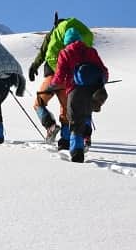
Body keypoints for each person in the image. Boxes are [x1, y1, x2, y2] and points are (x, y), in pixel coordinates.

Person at [27, 13, 94, 150]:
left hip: (53, 76)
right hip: (70, 79)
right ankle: (65, 140)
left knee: (38, 103)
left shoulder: (53, 34)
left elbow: (43, 52)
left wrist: (34, 66)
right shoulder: (78, 36)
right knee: (65, 110)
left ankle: (50, 126)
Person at [50, 27, 108, 163]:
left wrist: (52, 85)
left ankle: (77, 153)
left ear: (66, 41)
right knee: (87, 114)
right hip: (93, 91)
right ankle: (87, 134)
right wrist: (100, 82)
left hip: (75, 90)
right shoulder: (91, 51)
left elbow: (59, 77)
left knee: (75, 122)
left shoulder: (65, 52)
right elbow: (104, 71)